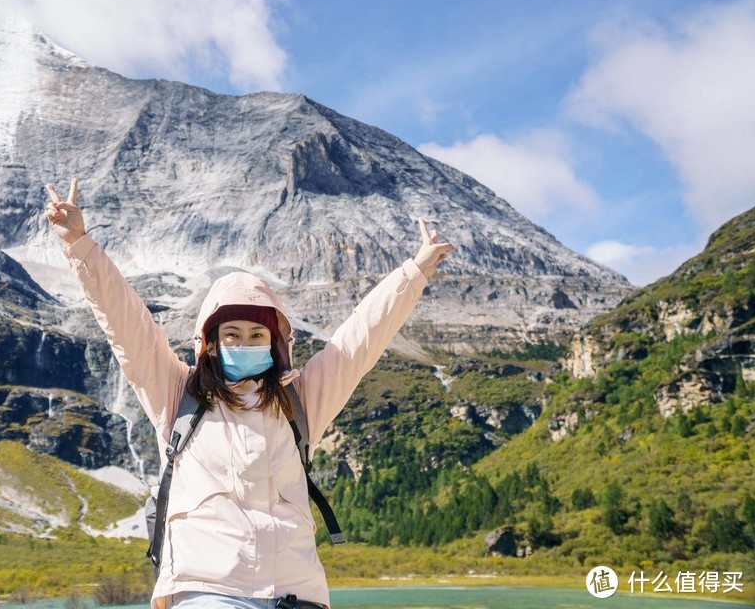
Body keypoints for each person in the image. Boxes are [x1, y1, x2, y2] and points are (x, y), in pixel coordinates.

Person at [45, 178, 453, 609]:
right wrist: (79, 243)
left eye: (257, 333)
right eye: (232, 334)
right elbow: (126, 324)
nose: (245, 342)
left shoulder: (302, 401)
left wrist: (415, 271)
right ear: (211, 342)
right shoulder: (176, 392)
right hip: (206, 590)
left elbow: (361, 339)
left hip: (297, 593)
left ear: (274, 342)